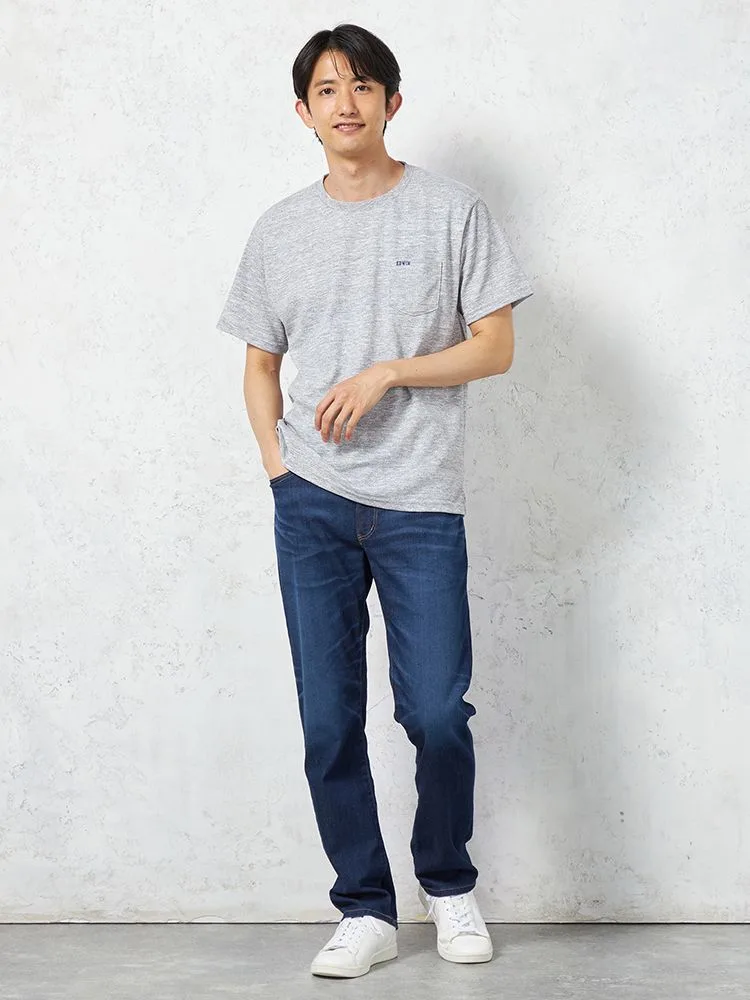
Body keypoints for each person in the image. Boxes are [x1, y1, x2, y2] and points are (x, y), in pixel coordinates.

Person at [216, 22, 534, 980]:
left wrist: (390, 371)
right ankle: (364, 908)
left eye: (362, 85)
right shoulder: (279, 229)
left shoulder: (451, 212)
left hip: (421, 502)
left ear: (393, 102)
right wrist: (278, 468)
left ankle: (448, 885)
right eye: (326, 88)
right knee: (327, 720)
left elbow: (495, 346)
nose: (344, 102)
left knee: (435, 711)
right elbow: (259, 364)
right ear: (303, 112)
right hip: (310, 501)